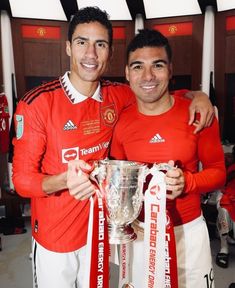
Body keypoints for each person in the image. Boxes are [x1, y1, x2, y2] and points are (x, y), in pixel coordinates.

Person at [12, 6, 214, 288]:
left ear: (110, 52)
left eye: (101, 44)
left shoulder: (117, 95)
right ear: (69, 47)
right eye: (82, 43)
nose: (91, 54)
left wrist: (199, 96)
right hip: (56, 236)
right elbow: (21, 181)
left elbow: (158, 92)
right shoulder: (37, 103)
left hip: (103, 233)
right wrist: (62, 181)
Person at [110, 29, 226, 288]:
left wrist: (188, 182)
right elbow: (119, 185)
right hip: (141, 233)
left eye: (158, 65)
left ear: (170, 70)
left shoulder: (198, 114)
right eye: (138, 67)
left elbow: (218, 171)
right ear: (128, 73)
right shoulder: (122, 122)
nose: (148, 76)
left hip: (188, 231)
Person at [216, 146, 235, 268]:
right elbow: (220, 180)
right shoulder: (228, 160)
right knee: (223, 211)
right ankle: (224, 248)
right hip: (226, 194)